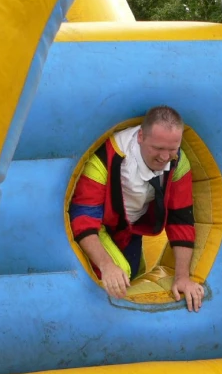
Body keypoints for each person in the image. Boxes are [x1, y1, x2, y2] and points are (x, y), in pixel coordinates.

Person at [69, 105, 205, 311]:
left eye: (172, 148)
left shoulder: (178, 162)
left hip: (132, 227)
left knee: (138, 274)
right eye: (158, 148)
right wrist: (106, 266)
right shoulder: (108, 156)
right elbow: (83, 216)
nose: (165, 157)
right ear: (141, 136)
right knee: (120, 274)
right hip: (100, 227)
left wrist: (183, 277)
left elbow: (181, 218)